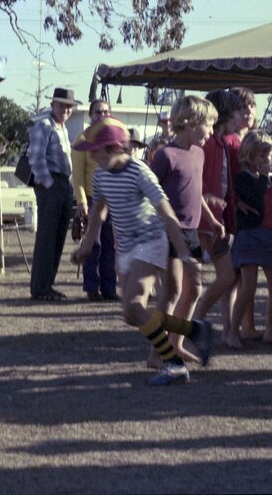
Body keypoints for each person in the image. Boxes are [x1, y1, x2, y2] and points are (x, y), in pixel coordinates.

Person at [70, 116, 213, 386]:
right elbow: (99, 212)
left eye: (95, 151)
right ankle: (195, 330)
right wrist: (86, 245)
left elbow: (166, 211)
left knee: (135, 305)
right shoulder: (100, 175)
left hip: (151, 240)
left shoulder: (139, 171)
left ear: (114, 148)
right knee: (131, 314)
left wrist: (182, 252)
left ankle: (173, 364)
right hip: (126, 246)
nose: (91, 157)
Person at [149, 96, 224, 363]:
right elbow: (149, 193)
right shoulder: (165, 156)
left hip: (191, 231)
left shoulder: (199, 153)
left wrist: (211, 219)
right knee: (171, 293)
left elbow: (196, 191)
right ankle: (157, 353)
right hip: (168, 231)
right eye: (209, 125)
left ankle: (175, 344)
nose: (212, 131)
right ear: (190, 123)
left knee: (193, 290)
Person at [192, 89, 244, 346]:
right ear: (225, 113)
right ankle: (194, 322)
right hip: (202, 220)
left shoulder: (221, 142)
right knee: (194, 279)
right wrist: (209, 204)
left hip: (216, 219)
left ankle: (200, 322)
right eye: (237, 111)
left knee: (227, 276)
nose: (241, 116)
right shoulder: (209, 144)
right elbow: (198, 182)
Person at [229, 130, 272, 347]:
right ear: (249, 155)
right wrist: (263, 177)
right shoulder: (243, 178)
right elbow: (253, 198)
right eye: (262, 156)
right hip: (250, 236)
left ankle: (270, 331)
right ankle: (233, 332)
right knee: (248, 286)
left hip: (271, 237)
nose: (266, 160)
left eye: (269, 156)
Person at [27, 87, 77, 301]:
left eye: (69, 106)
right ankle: (40, 287)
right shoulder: (44, 125)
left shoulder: (62, 128)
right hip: (52, 184)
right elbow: (35, 159)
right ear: (53, 105)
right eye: (62, 105)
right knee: (47, 238)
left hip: (63, 184)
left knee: (57, 238)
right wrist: (48, 184)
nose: (66, 109)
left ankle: (48, 284)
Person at [72, 98, 118, 302]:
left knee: (111, 245)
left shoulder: (114, 139)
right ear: (90, 115)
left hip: (113, 199)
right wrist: (81, 201)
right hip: (92, 198)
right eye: (98, 112)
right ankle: (92, 288)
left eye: (106, 112)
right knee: (94, 245)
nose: (102, 115)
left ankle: (110, 288)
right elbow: (78, 175)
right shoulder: (82, 139)